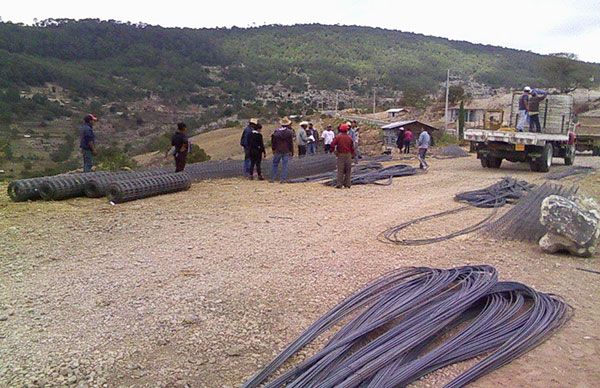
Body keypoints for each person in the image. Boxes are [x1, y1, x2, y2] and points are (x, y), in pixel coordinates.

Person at [331, 123, 355, 188]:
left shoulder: (338, 137)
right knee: (348, 170)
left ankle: (339, 184)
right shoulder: (349, 137)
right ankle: (347, 184)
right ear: (347, 130)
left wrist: (334, 151)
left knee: (340, 170)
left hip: (340, 155)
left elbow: (332, 144)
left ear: (340, 129)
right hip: (348, 155)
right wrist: (352, 154)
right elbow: (352, 147)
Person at [271, 117, 294, 183]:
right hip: (286, 150)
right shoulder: (289, 132)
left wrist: (273, 149)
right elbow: (290, 143)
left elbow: (273, 141)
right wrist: (291, 151)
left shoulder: (276, 132)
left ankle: (272, 178)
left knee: (275, 164)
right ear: (288, 124)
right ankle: (283, 179)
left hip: (278, 150)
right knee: (285, 165)